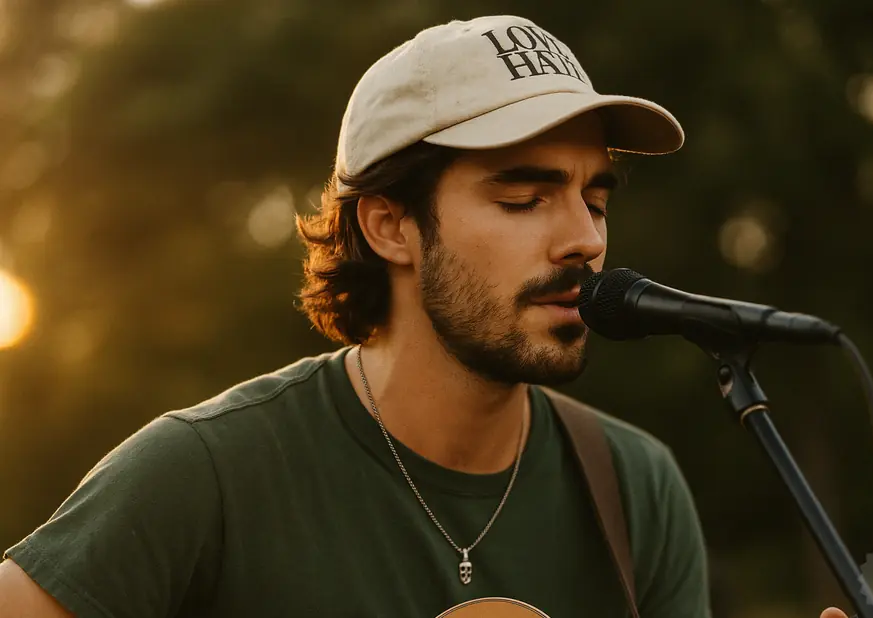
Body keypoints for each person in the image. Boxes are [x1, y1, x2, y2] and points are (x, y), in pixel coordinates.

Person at [0, 14, 715, 617]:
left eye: (595, 200)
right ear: (389, 226)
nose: (586, 240)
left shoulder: (636, 487)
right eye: (524, 199)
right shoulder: (207, 474)